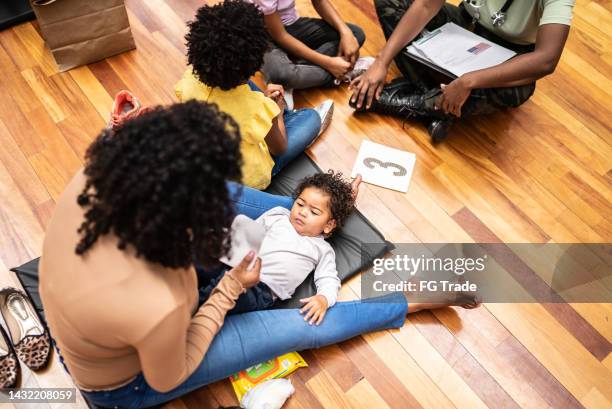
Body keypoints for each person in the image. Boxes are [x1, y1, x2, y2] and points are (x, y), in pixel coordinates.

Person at [39, 101, 478, 408]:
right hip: (133, 379)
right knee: (302, 328)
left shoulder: (97, 174)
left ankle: (331, 199)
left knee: (277, 221)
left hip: (123, 315)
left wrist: (327, 206)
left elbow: (314, 264)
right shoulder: (162, 298)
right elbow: (167, 373)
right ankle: (411, 301)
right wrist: (230, 286)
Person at [349, 0, 574, 143]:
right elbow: (427, 5)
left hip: (508, 53)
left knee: (521, 87)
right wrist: (382, 60)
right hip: (464, 28)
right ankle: (435, 105)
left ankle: (410, 99)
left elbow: (546, 59)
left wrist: (468, 81)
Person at [175, 0, 334, 190]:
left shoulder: (190, 78)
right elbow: (279, 148)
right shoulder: (255, 107)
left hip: (214, 152)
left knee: (254, 95)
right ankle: (285, 114)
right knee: (311, 118)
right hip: (249, 178)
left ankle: (280, 115)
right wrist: (276, 110)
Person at [198, 171, 362, 325]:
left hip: (259, 289)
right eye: (300, 204)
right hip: (234, 263)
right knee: (198, 258)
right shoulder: (279, 215)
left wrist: (324, 299)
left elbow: (328, 279)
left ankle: (188, 308)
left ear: (328, 225)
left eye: (313, 212)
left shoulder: (322, 249)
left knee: (214, 296)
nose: (302, 212)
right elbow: (252, 232)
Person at [252, 0, 366, 106]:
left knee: (355, 34)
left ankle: (294, 76)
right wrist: (328, 63)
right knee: (282, 74)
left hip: (292, 25)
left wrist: (345, 32)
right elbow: (280, 36)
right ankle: (344, 73)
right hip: (264, 35)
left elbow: (320, 1)